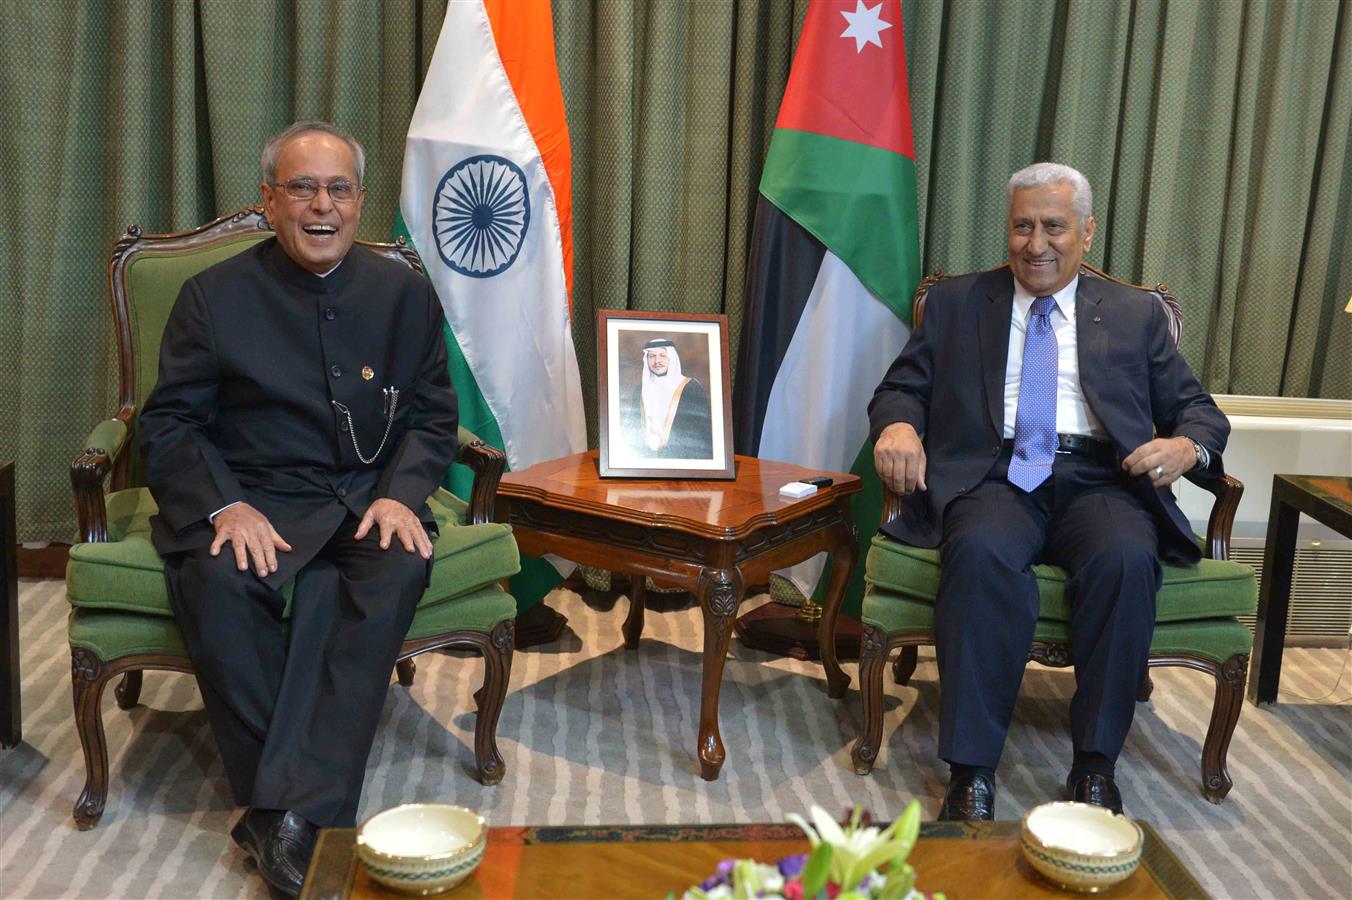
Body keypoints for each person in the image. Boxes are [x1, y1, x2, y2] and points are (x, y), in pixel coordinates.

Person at [139, 121, 458, 896]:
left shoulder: (405, 293)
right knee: (217, 584)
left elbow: (432, 415)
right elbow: (169, 423)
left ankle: (274, 814)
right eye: (302, 188)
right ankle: (307, 816)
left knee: (390, 569)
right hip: (257, 499)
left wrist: (401, 496)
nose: (323, 205)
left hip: (364, 498)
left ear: (358, 201)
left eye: (339, 188)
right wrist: (223, 508)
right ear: (269, 202)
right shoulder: (211, 299)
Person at [868, 162, 1229, 821]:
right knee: (978, 553)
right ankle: (971, 772)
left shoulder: (1133, 314)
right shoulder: (957, 302)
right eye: (1022, 226)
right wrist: (898, 425)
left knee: (1124, 558)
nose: (1037, 245)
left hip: (1101, 479)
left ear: (1086, 233)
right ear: (1007, 230)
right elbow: (902, 388)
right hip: (995, 473)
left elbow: (1200, 411)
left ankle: (1095, 766)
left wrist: (1184, 447)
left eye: (1054, 227)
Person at [628, 338, 713, 458]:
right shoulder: (640, 390)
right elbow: (632, 428)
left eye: (662, 355)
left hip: (683, 457)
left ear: (671, 358)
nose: (657, 361)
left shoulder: (690, 387)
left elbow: (701, 433)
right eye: (652, 356)